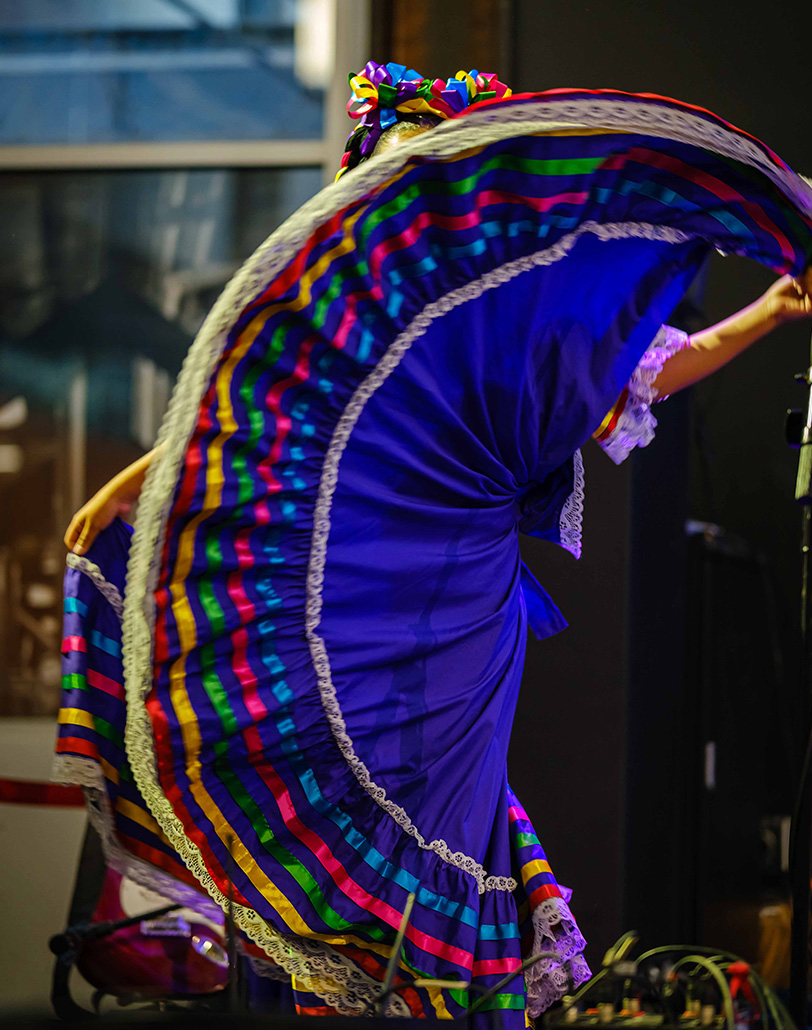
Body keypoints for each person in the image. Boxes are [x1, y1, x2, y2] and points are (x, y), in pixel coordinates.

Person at [58, 63, 812, 1024]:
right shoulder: (356, 319)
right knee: (315, 797)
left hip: (457, 602)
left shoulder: (510, 313)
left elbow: (638, 370)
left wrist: (773, 310)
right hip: (357, 591)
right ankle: (340, 994)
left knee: (445, 819)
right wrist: (137, 483)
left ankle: (427, 1002)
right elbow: (251, 412)